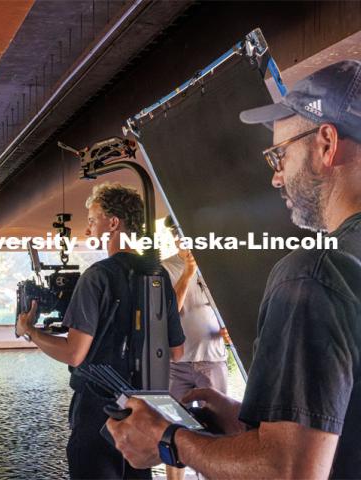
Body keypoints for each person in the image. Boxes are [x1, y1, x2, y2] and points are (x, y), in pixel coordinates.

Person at [107, 60, 361, 479]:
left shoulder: (314, 274)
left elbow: (290, 471)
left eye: (280, 155)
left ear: (327, 143)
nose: (277, 178)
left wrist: (170, 440)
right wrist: (253, 423)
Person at [16, 181, 185, 480]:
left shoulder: (97, 277)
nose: (89, 229)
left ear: (114, 222)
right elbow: (176, 351)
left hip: (97, 410)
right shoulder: (157, 276)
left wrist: (30, 330)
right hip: (141, 411)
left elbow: (75, 354)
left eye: (93, 220)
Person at [162, 215, 227, 480]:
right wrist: (188, 272)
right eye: (177, 233)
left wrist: (229, 330)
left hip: (212, 359)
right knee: (172, 428)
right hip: (177, 365)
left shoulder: (215, 266)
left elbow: (225, 308)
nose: (182, 238)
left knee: (220, 429)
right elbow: (168, 312)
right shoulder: (165, 268)